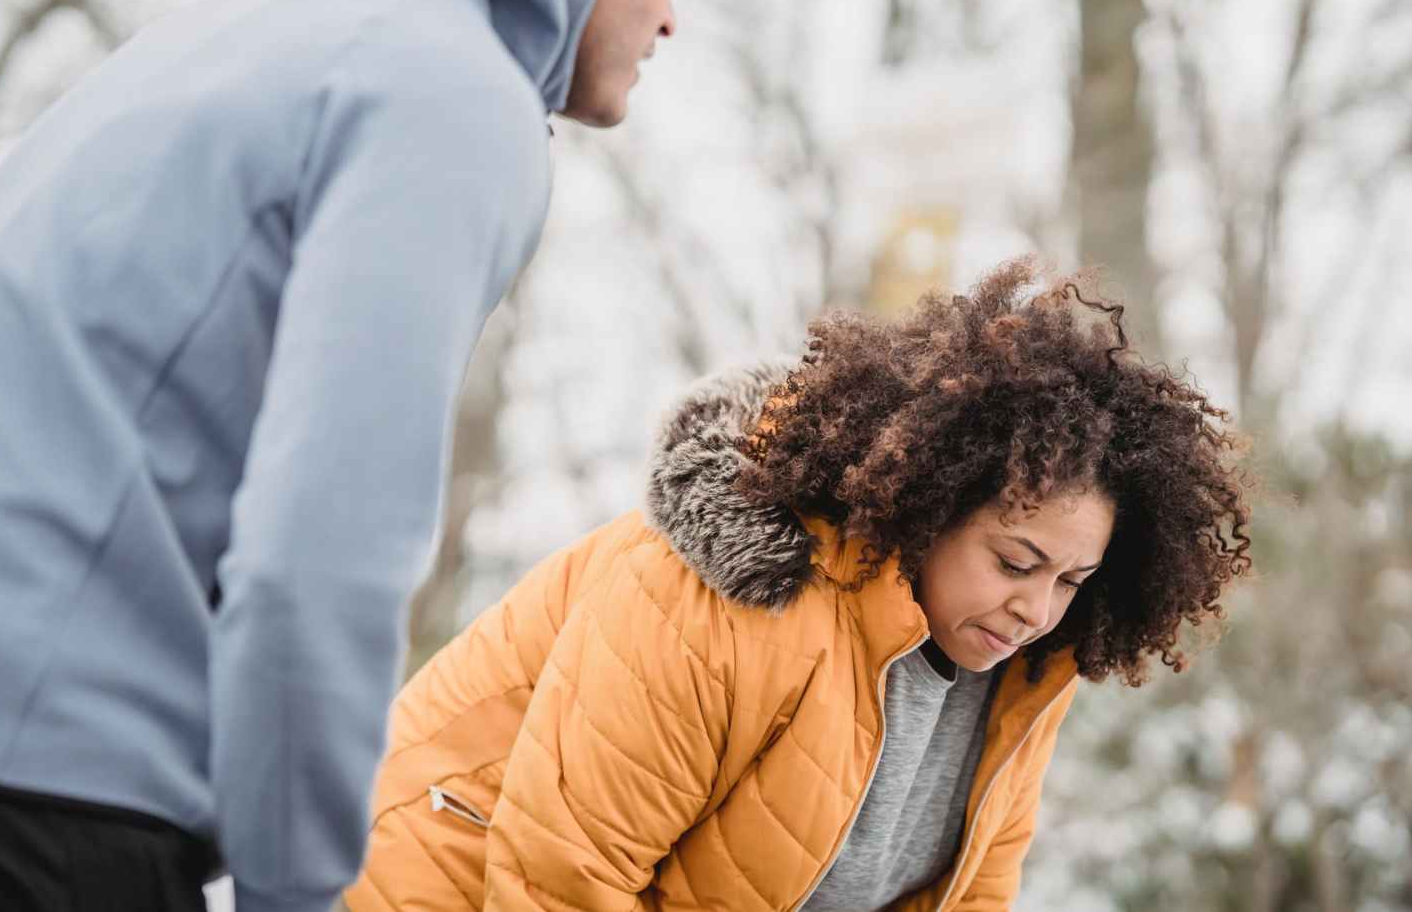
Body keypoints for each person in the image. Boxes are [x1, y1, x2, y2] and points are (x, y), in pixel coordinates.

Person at [0, 0, 703, 910]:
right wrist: (292, 890)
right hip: (36, 796)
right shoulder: (445, 92)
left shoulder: (237, 34)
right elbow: (318, 558)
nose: (669, 18)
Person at [345, 258, 1254, 911]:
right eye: (1015, 561)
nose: (1038, 606)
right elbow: (559, 878)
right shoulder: (728, 598)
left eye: (1073, 580)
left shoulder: (1023, 666)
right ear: (927, 506)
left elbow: (968, 896)